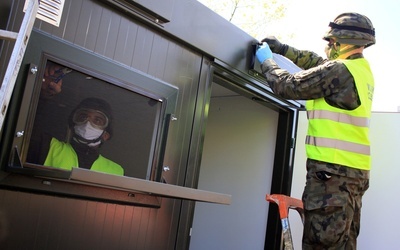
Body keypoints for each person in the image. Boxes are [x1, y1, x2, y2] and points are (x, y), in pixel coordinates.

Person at [256, 12, 375, 249]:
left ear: (346, 42)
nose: (329, 46)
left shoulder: (340, 71)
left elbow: (286, 86)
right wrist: (283, 48)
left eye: (332, 42)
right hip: (352, 177)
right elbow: (316, 62)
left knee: (321, 245)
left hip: (331, 178)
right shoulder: (360, 70)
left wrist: (267, 61)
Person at [32, 97, 124, 176]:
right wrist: (44, 96)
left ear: (105, 135)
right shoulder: (48, 146)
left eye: (98, 120)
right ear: (73, 125)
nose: (87, 123)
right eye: (83, 117)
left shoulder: (116, 171)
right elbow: (27, 123)